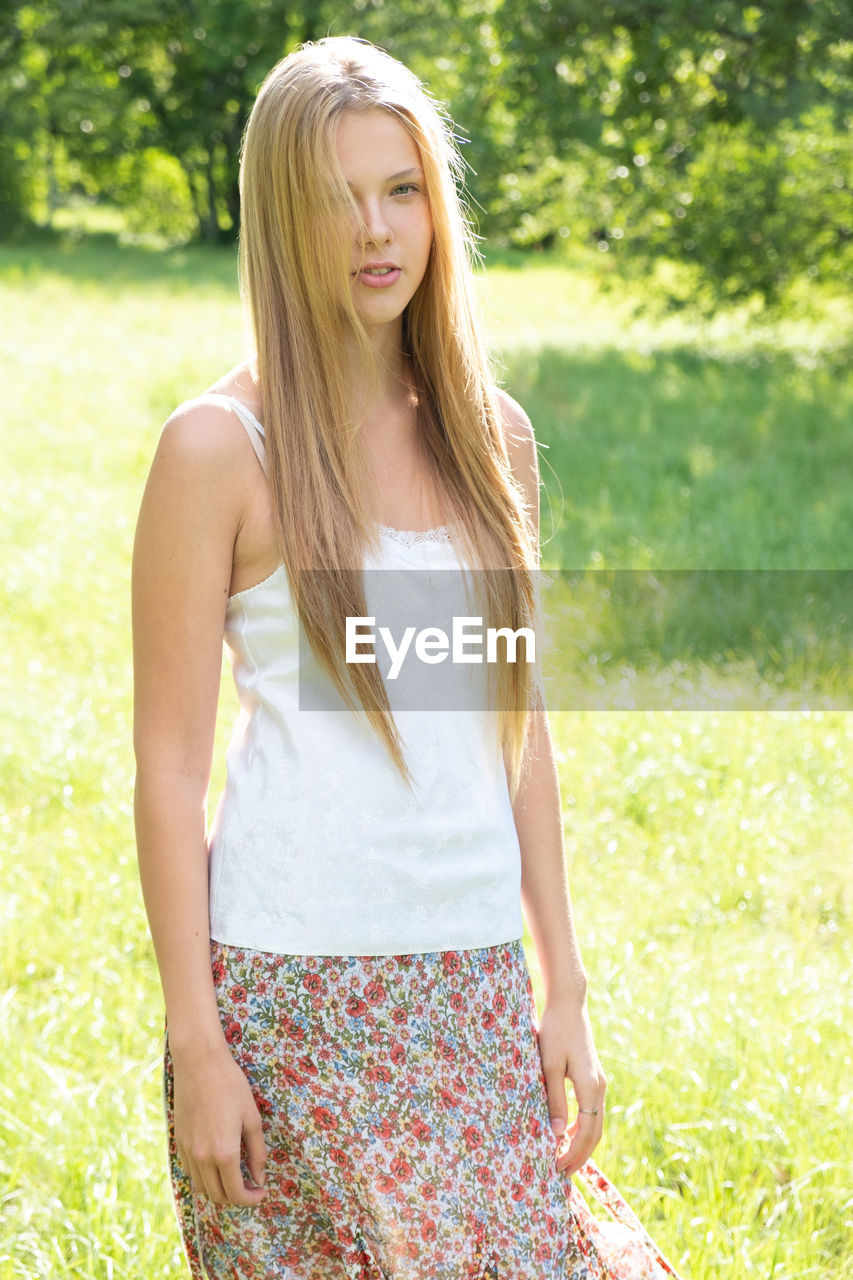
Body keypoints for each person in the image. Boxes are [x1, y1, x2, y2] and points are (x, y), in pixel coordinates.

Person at [132, 35, 608, 1280]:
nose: (374, 231)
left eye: (400, 190)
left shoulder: (490, 437)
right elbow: (170, 768)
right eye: (336, 199)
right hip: (291, 998)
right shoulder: (215, 451)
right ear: (278, 220)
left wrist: (562, 984)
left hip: (470, 982)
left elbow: (517, 724)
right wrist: (199, 1042)